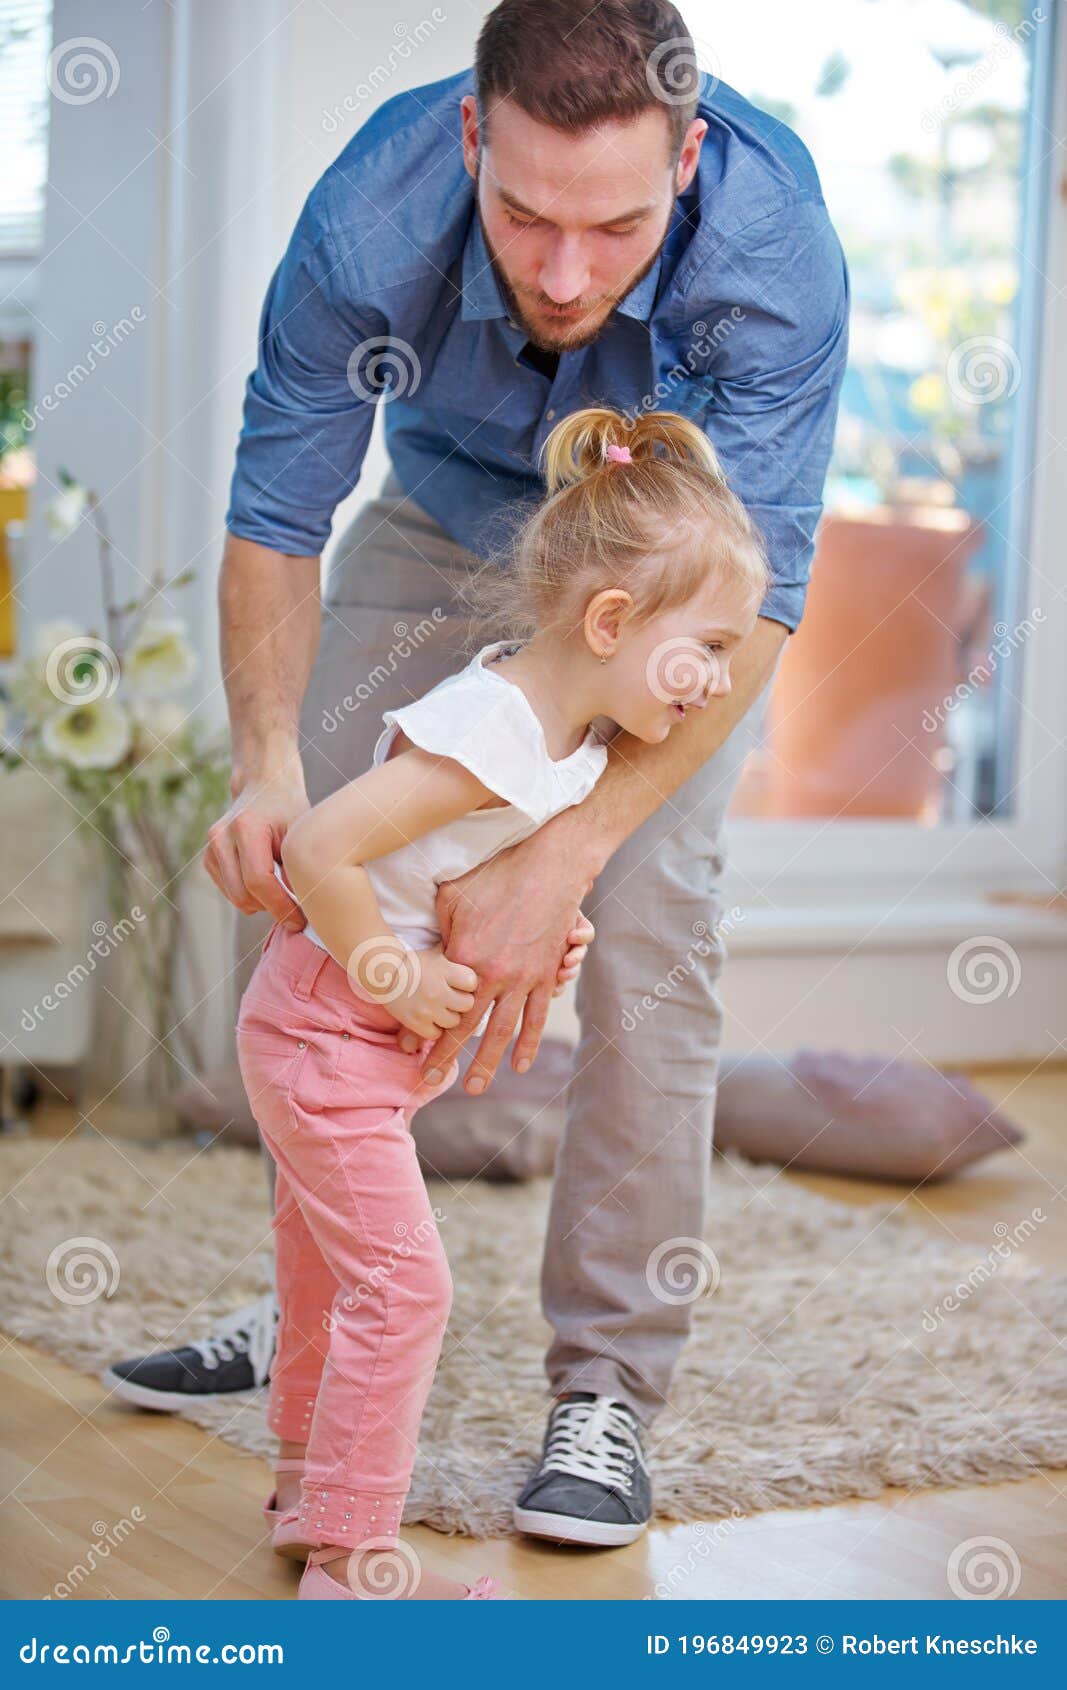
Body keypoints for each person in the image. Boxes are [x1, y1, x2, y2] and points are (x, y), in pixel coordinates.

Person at [104, 0, 849, 1546]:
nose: (566, 274)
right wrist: (262, 770)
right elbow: (279, 510)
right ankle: (313, 1297)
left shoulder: (772, 253)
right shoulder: (367, 220)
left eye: (617, 225)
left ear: (689, 160)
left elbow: (756, 600)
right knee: (309, 861)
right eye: (522, 215)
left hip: (666, 590)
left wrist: (561, 852)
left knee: (649, 924)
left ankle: (606, 1390)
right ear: (466, 137)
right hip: (444, 524)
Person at [238, 405, 769, 1598]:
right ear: (611, 621)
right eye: (714, 649)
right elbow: (319, 847)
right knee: (404, 1289)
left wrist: (547, 920)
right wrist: (393, 970)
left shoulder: (571, 734)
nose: (724, 683)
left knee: (329, 1274)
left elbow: (450, 861)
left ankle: (304, 1496)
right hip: (326, 1034)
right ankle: (353, 1553)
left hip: (355, 1050)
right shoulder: (489, 730)